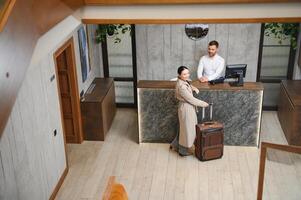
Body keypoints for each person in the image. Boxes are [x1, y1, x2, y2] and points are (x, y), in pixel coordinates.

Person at [170, 66, 209, 156]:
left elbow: (188, 85)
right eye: (184, 74)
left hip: (187, 107)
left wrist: (193, 88)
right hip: (186, 108)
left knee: (183, 129)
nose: (187, 75)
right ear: (179, 75)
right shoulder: (181, 86)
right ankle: (182, 151)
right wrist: (204, 104)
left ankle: (175, 145)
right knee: (187, 130)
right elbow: (191, 99)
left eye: (188, 73)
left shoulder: (182, 81)